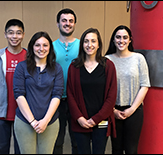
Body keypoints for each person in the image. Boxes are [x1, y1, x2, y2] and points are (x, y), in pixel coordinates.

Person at [67, 28, 117, 154]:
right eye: (86, 41)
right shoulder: (74, 67)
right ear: (82, 44)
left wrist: (96, 119)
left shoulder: (108, 66)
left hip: (101, 121)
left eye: (93, 41)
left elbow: (111, 97)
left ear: (99, 44)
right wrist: (79, 118)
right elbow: (70, 94)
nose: (89, 45)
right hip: (80, 121)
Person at [12, 31, 64, 154]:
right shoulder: (21, 67)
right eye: (37, 45)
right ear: (32, 47)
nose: (41, 49)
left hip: (50, 122)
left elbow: (57, 95)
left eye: (45, 45)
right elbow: (19, 95)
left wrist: (45, 121)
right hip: (25, 121)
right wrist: (33, 121)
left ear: (50, 48)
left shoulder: (57, 69)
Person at [105, 25, 151, 154]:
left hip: (135, 110)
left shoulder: (138, 58)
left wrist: (131, 109)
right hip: (113, 111)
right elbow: (104, 88)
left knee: (131, 150)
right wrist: (112, 110)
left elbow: (145, 85)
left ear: (130, 40)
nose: (121, 40)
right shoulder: (107, 60)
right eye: (118, 37)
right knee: (116, 149)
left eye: (125, 37)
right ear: (113, 40)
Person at [0, 19, 26, 154]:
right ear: (5, 34)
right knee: (1, 149)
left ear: (23, 35)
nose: (15, 36)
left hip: (24, 114)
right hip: (1, 114)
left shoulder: (29, 57)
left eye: (18, 33)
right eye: (11, 33)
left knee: (23, 150)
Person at [53, 8, 79, 154]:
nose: (67, 24)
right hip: (57, 100)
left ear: (74, 24)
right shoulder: (49, 46)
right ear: (58, 24)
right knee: (57, 140)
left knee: (77, 141)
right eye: (64, 20)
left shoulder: (83, 45)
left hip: (77, 100)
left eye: (71, 21)